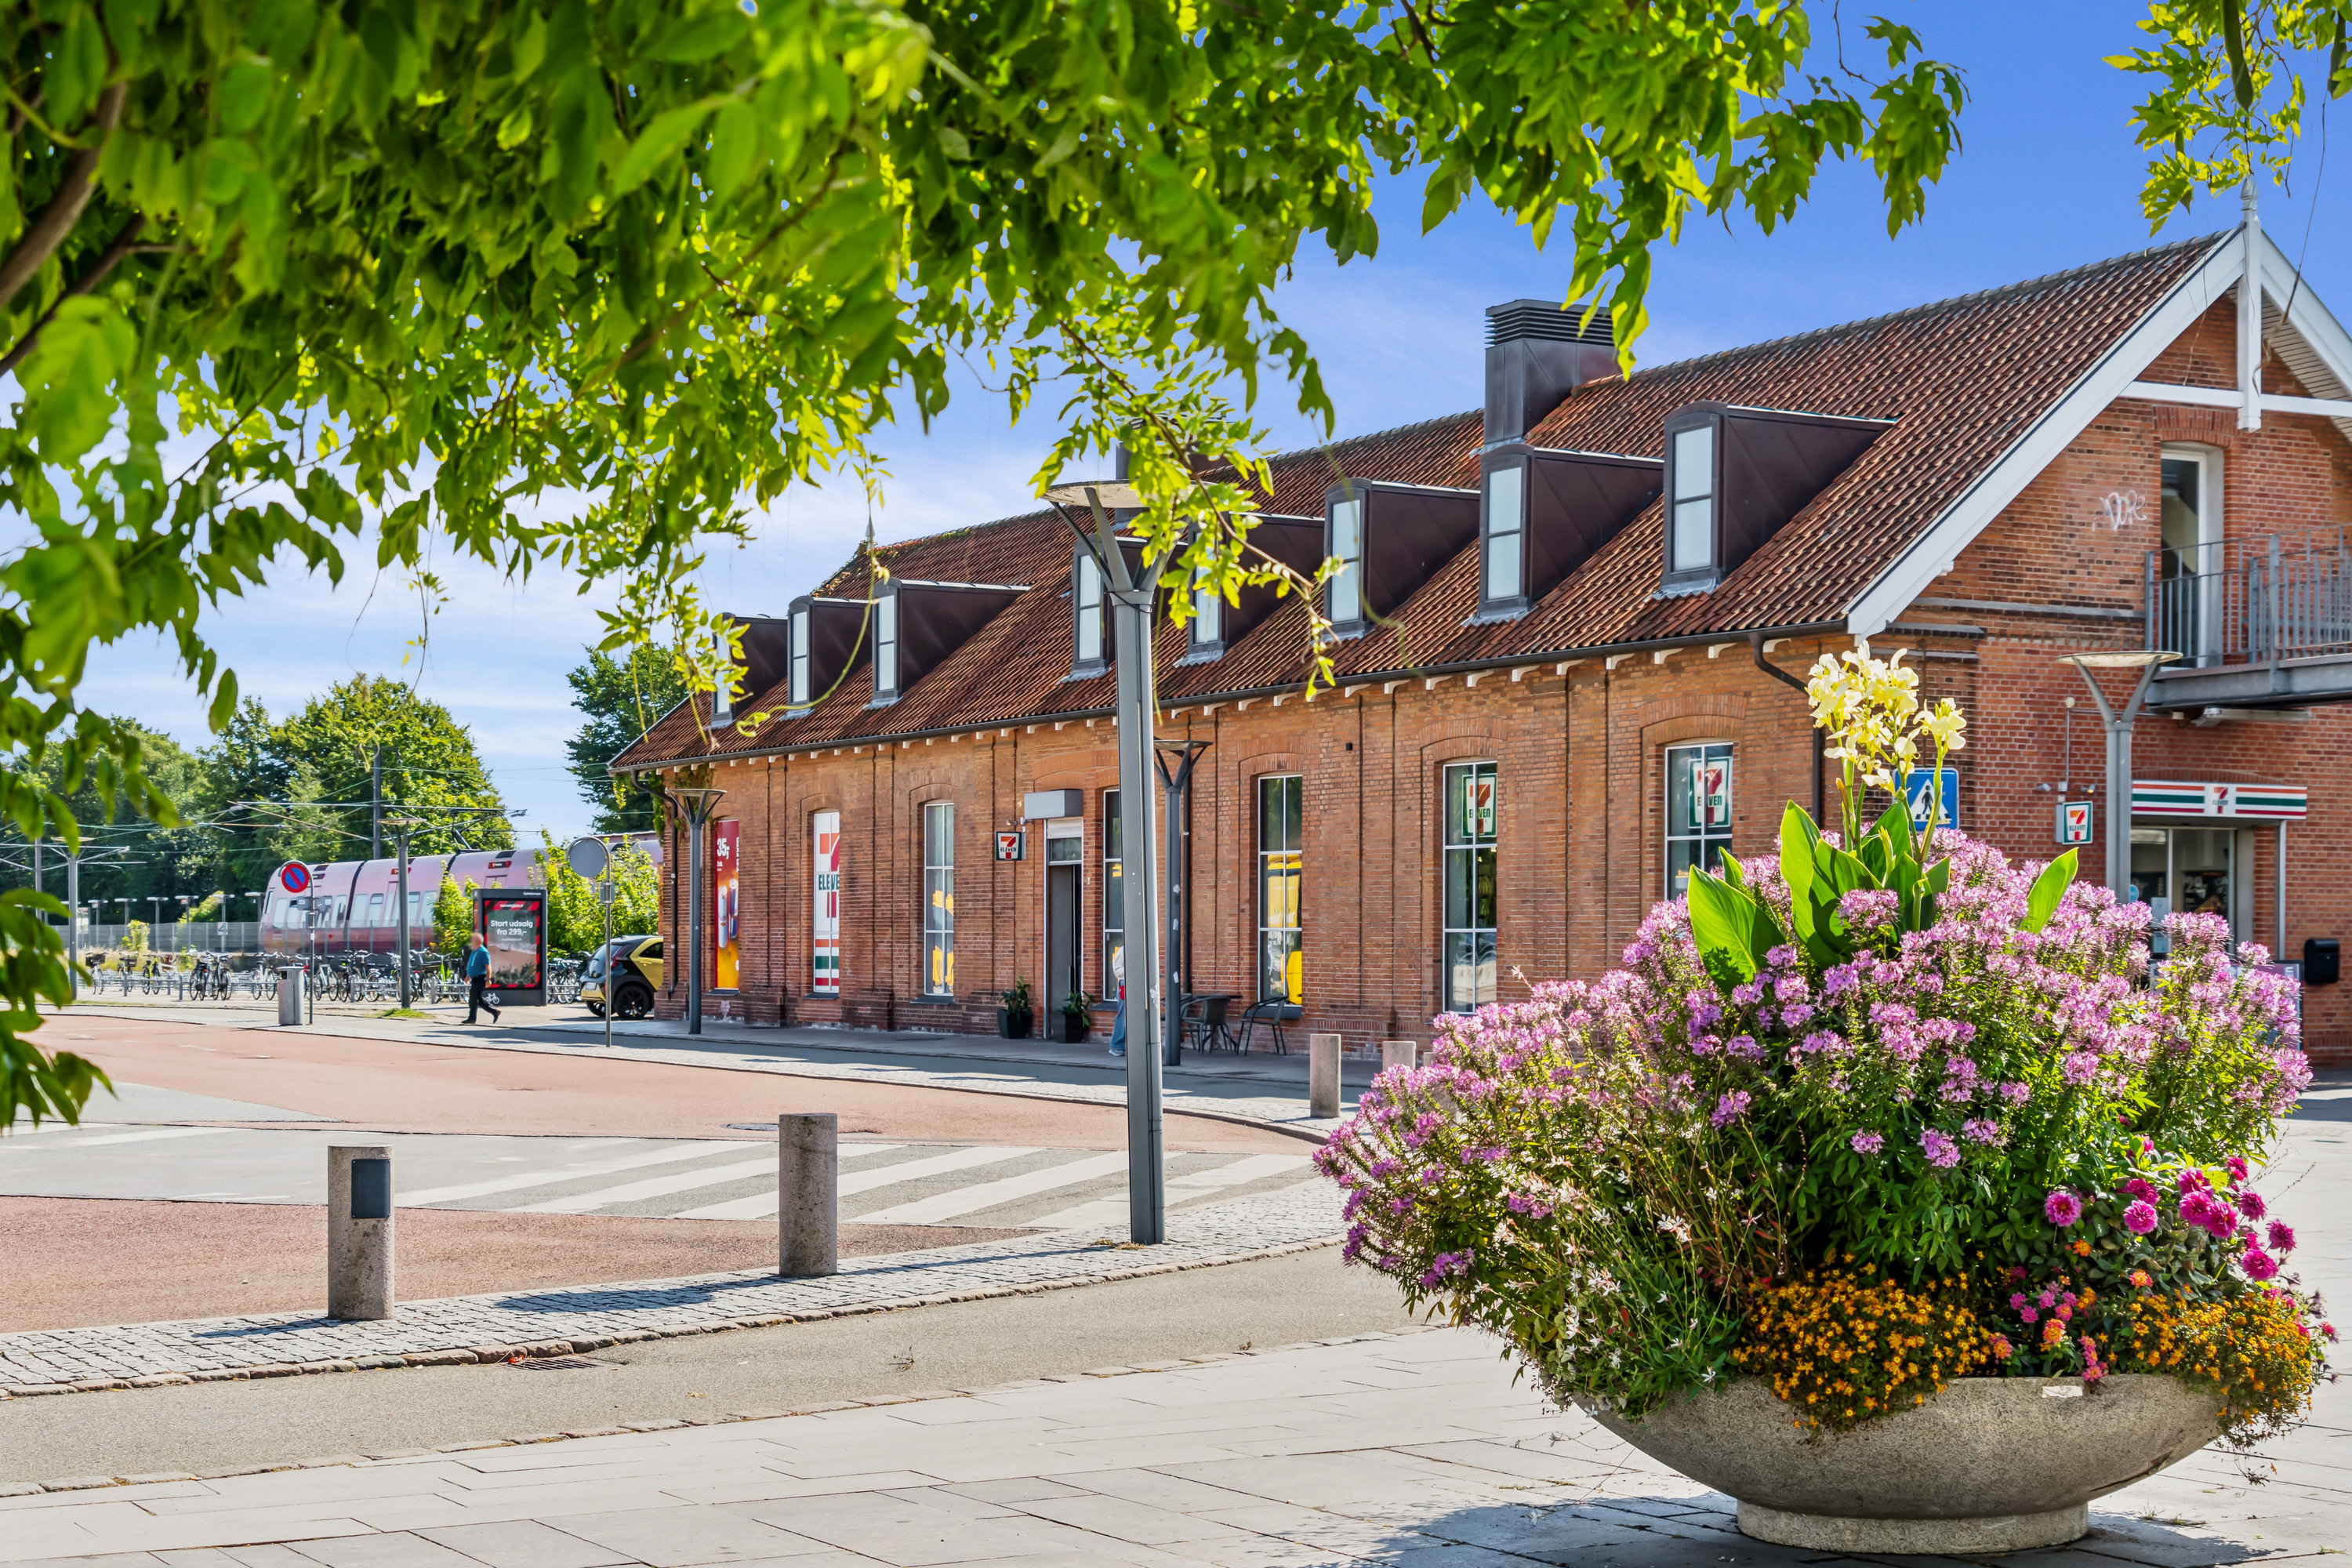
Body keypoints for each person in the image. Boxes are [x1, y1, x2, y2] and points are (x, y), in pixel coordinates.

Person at [463, 932, 501, 1025]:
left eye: (473, 940)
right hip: (474, 978)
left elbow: (488, 966)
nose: (471, 941)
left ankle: (472, 1018)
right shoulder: (475, 951)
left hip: (480, 978)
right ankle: (494, 1012)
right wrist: (468, 976)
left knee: (473, 998)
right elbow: (471, 965)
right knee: (478, 999)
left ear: (477, 941)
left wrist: (488, 979)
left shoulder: (483, 951)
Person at [1108, 944, 1126, 1058]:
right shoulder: (1124, 949)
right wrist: (1132, 967)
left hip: (1140, 984)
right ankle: (1116, 1046)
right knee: (1123, 1015)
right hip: (1126, 984)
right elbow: (1117, 970)